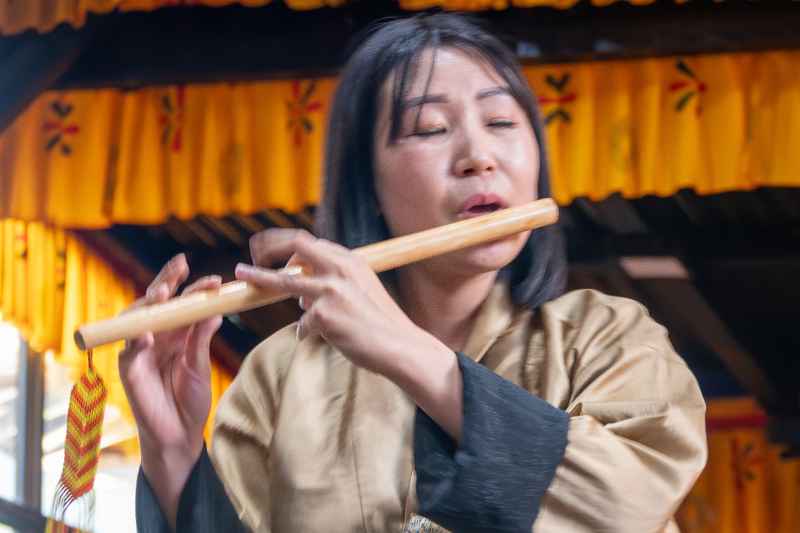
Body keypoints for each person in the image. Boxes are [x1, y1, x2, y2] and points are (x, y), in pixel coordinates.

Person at [122, 13, 707, 533]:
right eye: (430, 129)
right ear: (368, 185)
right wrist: (172, 455)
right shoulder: (281, 374)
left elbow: (627, 507)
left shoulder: (608, 339)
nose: (479, 154)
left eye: (502, 121)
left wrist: (404, 351)